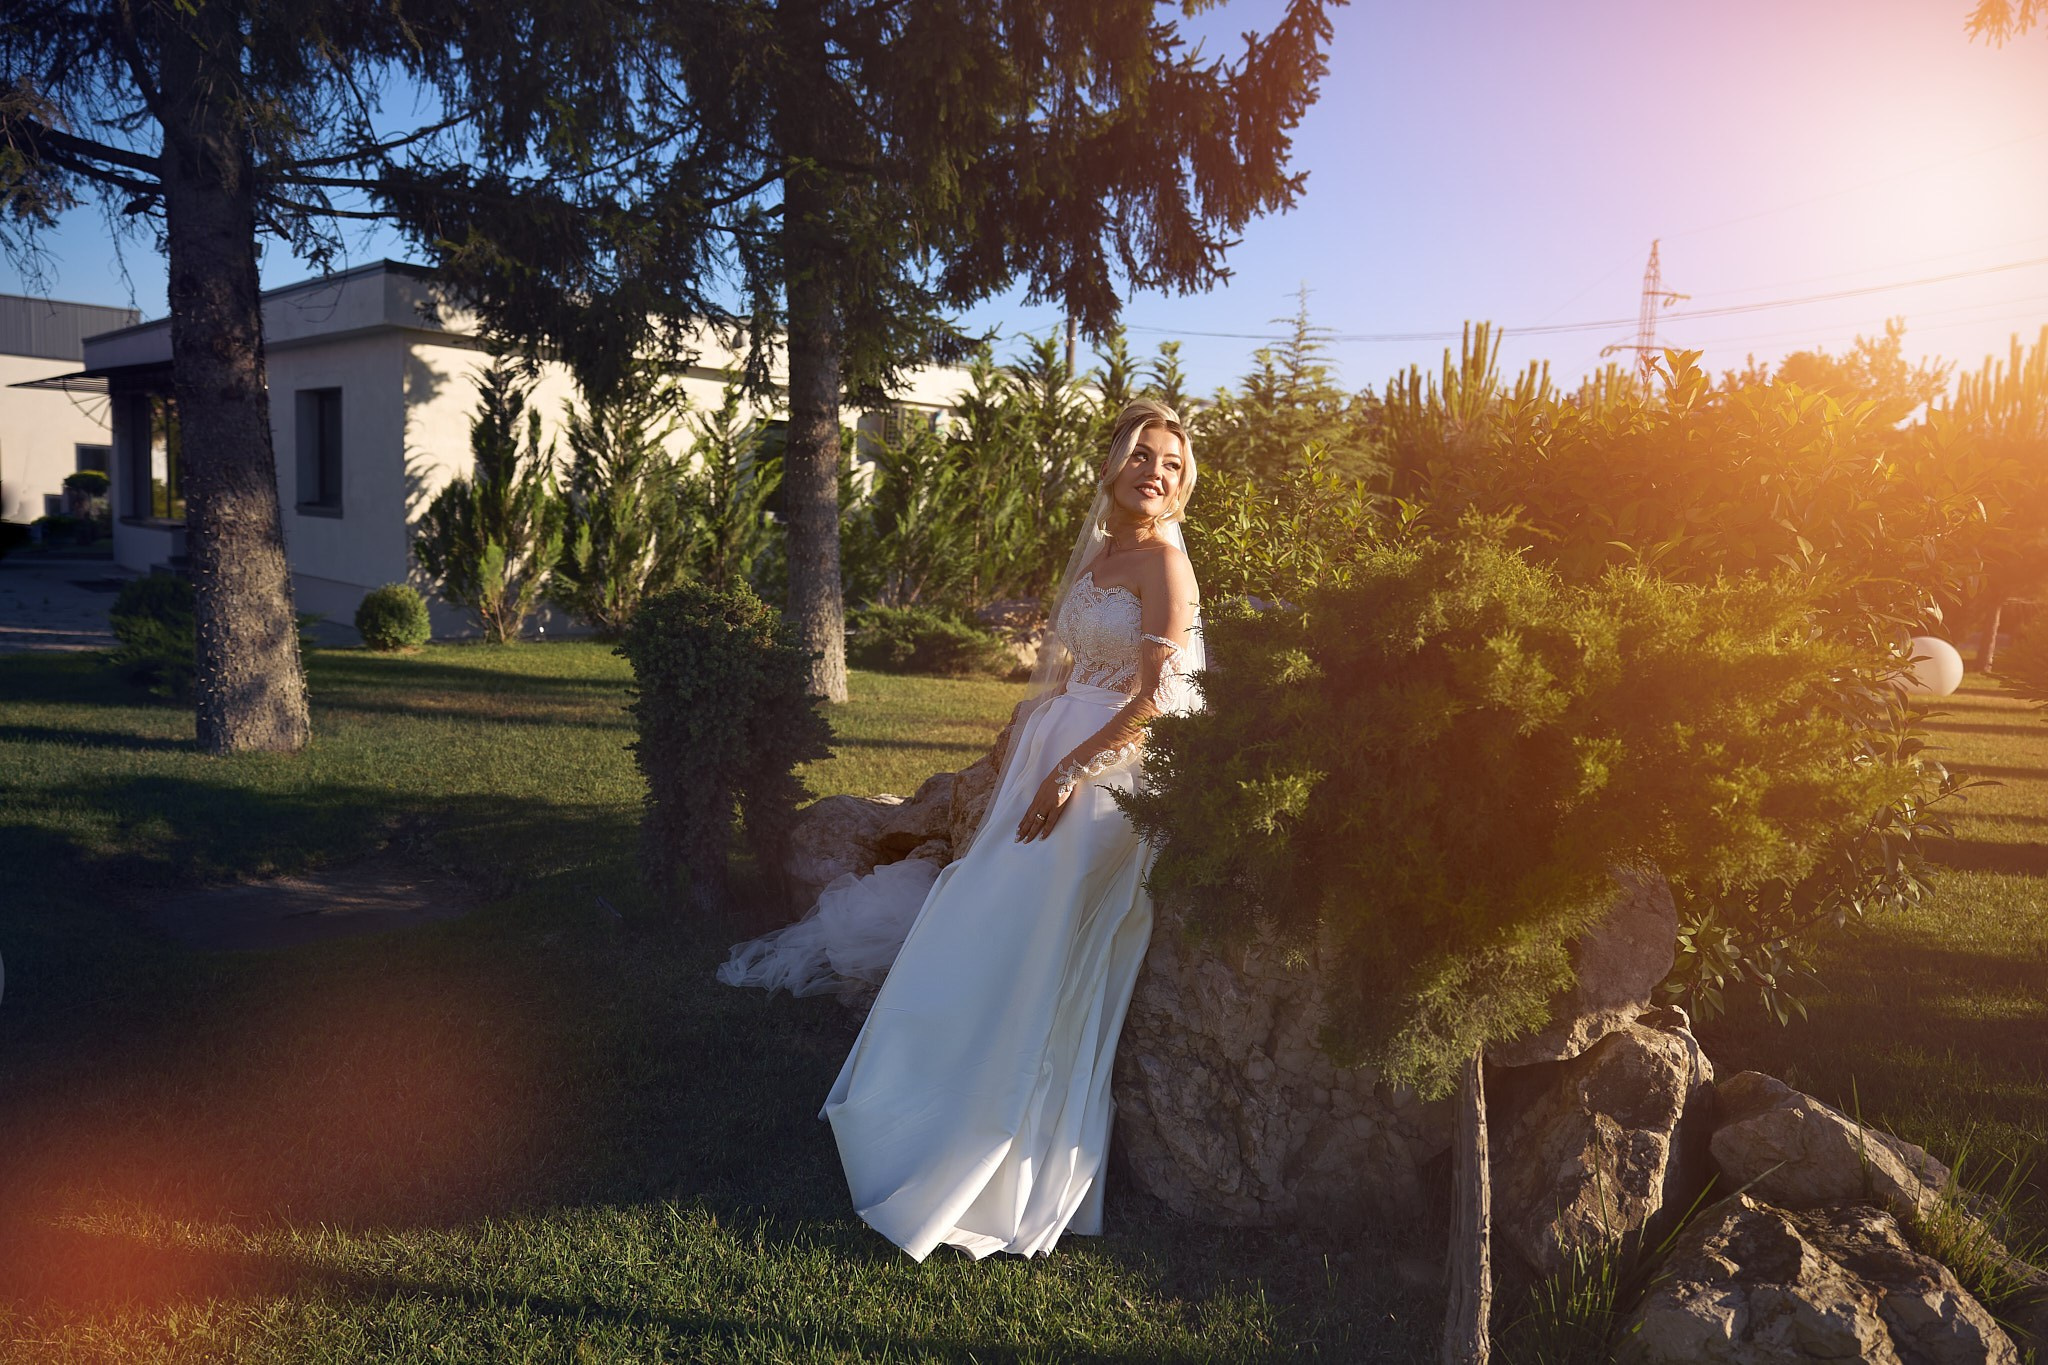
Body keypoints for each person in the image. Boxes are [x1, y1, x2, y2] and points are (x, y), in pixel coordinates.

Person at [718, 399, 1204, 1260]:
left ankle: (987, 1157)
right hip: (1051, 758)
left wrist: (1066, 770)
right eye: (1142, 454)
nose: (1155, 472)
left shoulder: (1166, 562)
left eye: (1171, 462)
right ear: (1114, 461)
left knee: (1024, 943)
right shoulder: (1103, 550)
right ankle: (911, 1111)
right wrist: (1028, 735)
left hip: (1106, 780)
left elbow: (1157, 699)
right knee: (972, 926)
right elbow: (1074, 666)